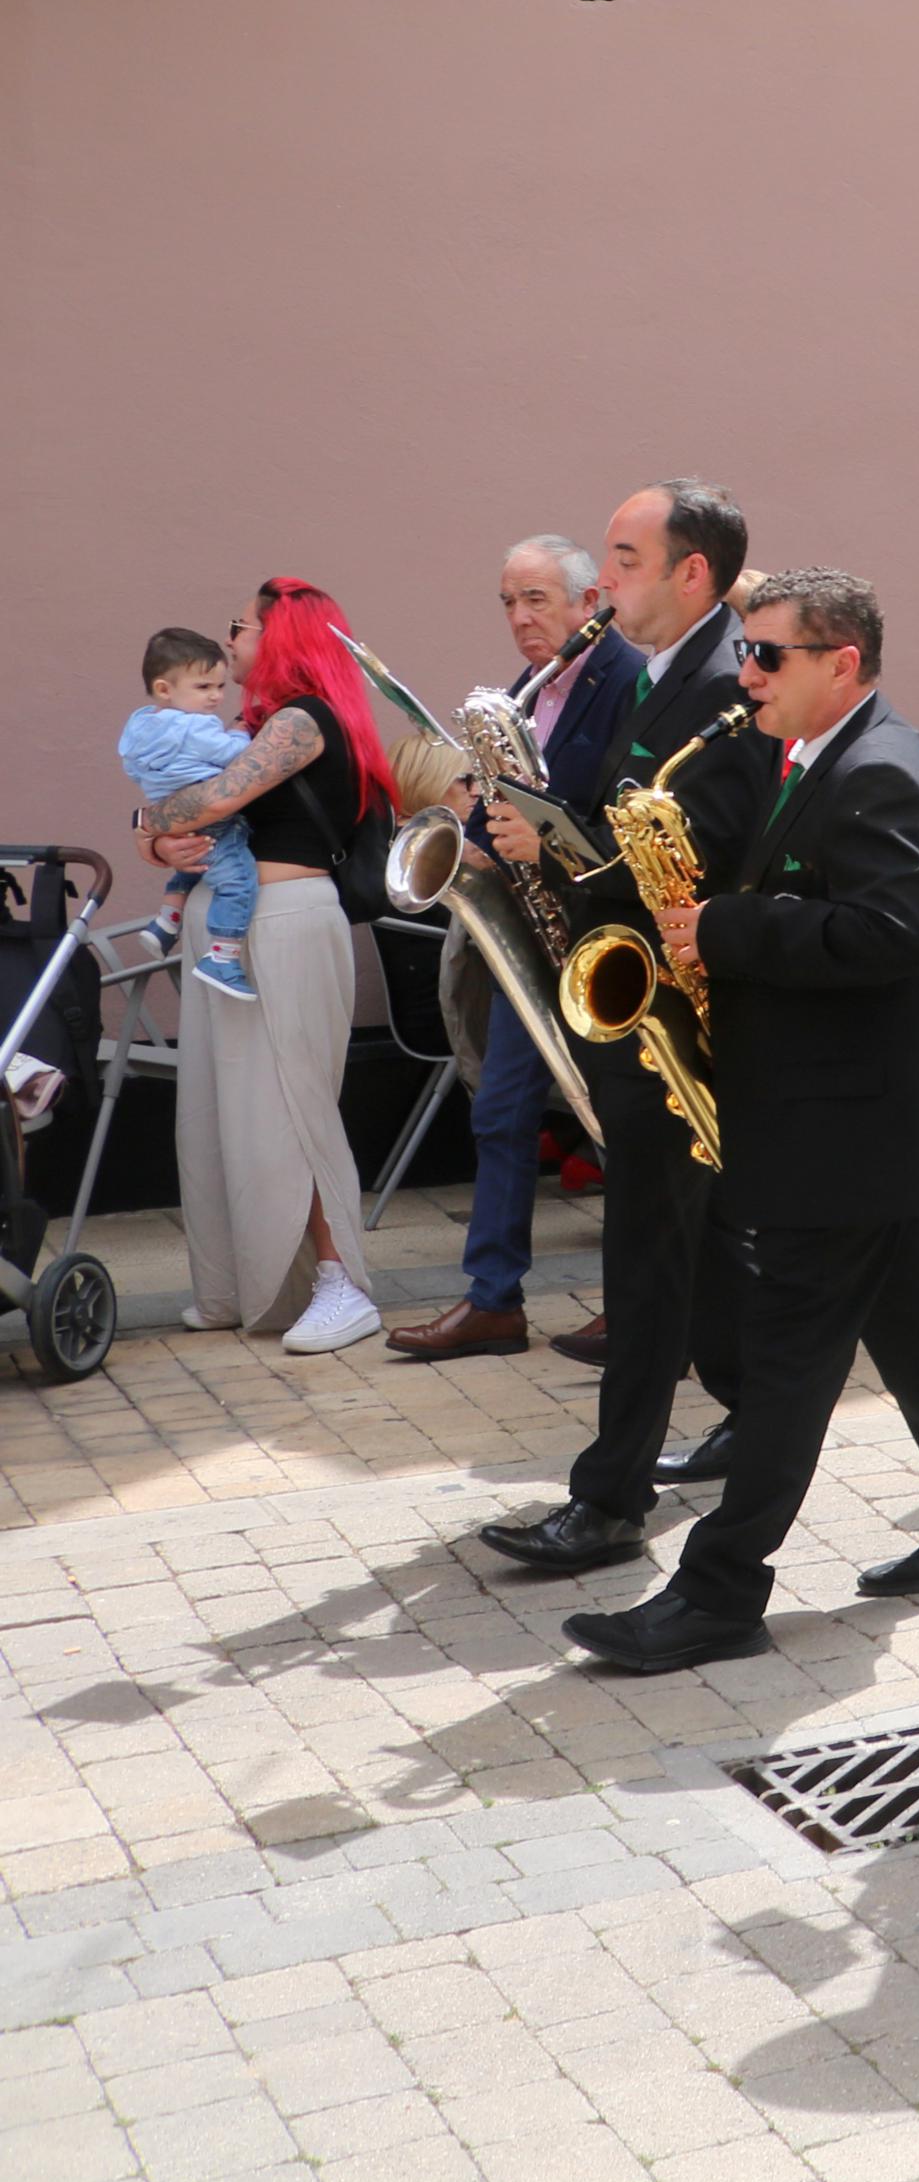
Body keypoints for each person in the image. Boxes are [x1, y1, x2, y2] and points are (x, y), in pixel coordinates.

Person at [562, 571, 919, 1670]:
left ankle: (721, 1591)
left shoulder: (874, 771)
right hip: (845, 1115)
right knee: (915, 1320)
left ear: (843, 664)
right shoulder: (824, 754)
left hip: (846, 1126)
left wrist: (723, 926)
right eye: (750, 652)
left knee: (787, 1360)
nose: (747, 672)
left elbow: (883, 937)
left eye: (769, 655)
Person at [473, 481, 774, 1572]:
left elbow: (699, 841)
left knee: (646, 1249)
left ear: (692, 573)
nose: (607, 581)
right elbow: (612, 814)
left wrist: (555, 846)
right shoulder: (655, 672)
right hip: (640, 988)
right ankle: (760, 1408)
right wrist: (535, 824)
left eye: (626, 557)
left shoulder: (727, 680)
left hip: (678, 1003)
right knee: (696, 1237)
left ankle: (609, 1500)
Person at [392, 536, 634, 1365]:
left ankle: (641, 1300)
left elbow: (619, 809)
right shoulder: (528, 697)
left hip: (602, 940)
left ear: (584, 601)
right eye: (507, 601)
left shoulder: (625, 678)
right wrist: (477, 841)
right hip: (529, 941)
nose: (520, 618)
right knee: (498, 1116)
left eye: (536, 599)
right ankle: (493, 1302)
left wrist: (544, 847)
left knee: (619, 1125)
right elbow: (506, 801)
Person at [141, 580, 400, 1353]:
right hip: (240, 927)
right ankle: (251, 1284)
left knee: (292, 1108)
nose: (228, 643)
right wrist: (160, 838)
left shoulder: (304, 720)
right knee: (226, 1111)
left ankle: (340, 1283)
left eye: (240, 627)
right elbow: (187, 812)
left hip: (286, 926)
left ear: (283, 636)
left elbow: (214, 800)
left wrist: (150, 826)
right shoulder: (253, 724)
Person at [118, 629, 261, 1002]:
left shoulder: (141, 724)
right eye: (203, 687)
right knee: (238, 880)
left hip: (171, 805)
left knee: (192, 863)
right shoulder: (193, 726)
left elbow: (133, 768)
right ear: (165, 688)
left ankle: (167, 921)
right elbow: (232, 756)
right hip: (210, 812)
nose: (215, 696)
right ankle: (223, 957)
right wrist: (242, 732)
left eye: (219, 686)